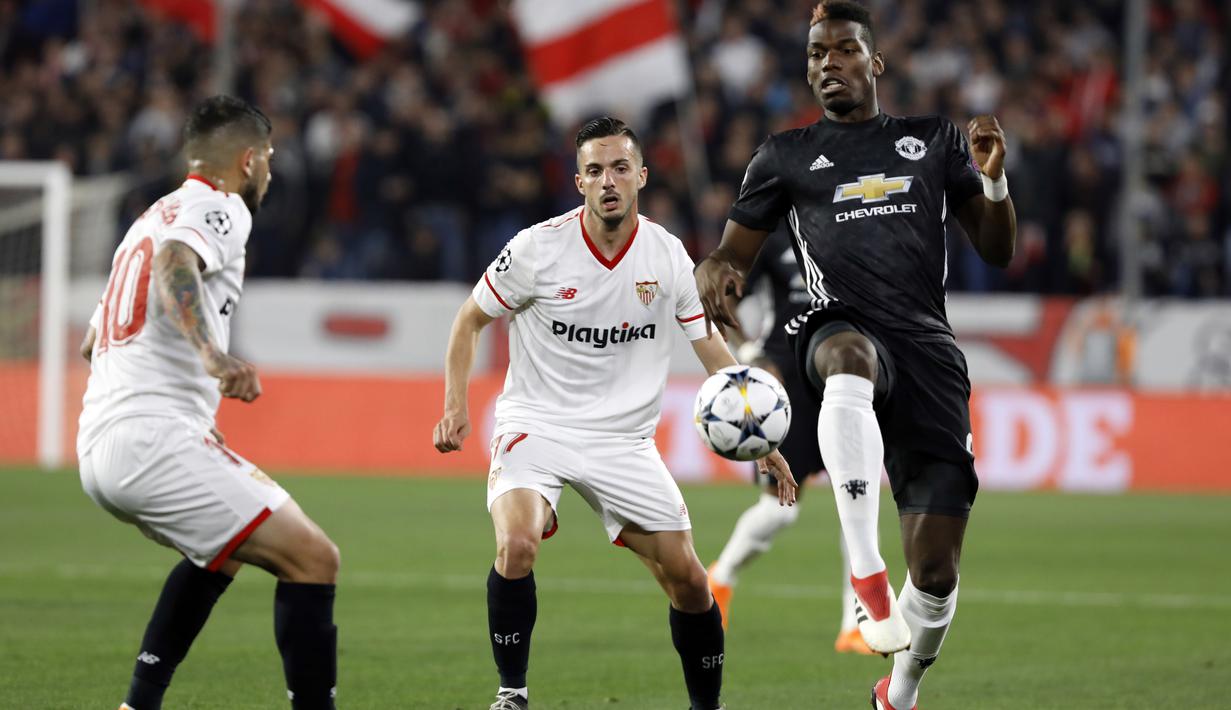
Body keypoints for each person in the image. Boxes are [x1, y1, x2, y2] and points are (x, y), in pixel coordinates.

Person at [694, 2, 1017, 708]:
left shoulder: (931, 140)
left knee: (934, 575)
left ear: (874, 62)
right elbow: (728, 253)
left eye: (842, 50)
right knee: (844, 354)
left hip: (927, 353)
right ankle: (865, 578)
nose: (826, 64)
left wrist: (992, 181)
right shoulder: (782, 155)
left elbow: (996, 248)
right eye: (815, 55)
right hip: (836, 323)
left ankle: (897, 694)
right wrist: (714, 269)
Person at [433, 116, 796, 710]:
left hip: (624, 441)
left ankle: (708, 706)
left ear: (641, 177)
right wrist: (454, 404)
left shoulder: (667, 255)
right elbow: (468, 319)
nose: (608, 181)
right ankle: (511, 692)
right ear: (579, 182)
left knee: (690, 581)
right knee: (517, 545)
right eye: (595, 170)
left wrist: (766, 442)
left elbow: (710, 347)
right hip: (537, 423)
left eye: (620, 168)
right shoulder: (536, 248)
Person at [77, 96, 341, 710]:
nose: (270, 171)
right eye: (269, 158)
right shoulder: (218, 206)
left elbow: (93, 343)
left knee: (217, 555)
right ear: (248, 161)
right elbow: (176, 264)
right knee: (313, 558)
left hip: (101, 445)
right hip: (152, 438)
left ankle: (138, 704)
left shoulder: (145, 221)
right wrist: (210, 357)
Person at [706, 230, 873, 656]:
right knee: (779, 512)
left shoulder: (852, 225)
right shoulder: (774, 236)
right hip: (787, 381)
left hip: (845, 373)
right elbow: (723, 295)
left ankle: (854, 625)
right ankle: (720, 577)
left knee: (853, 502)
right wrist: (749, 353)